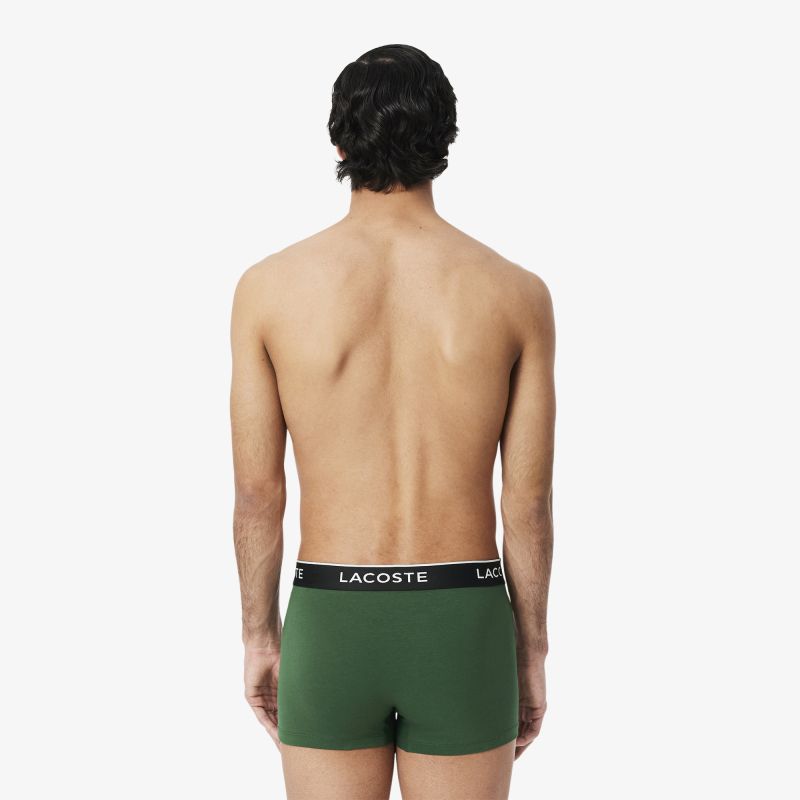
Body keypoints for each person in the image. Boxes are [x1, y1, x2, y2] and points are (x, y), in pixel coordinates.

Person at [230, 43, 555, 800]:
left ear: (338, 143)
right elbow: (528, 504)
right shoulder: (516, 294)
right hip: (463, 619)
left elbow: (257, 494)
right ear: (445, 142)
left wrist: (259, 636)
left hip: (331, 615)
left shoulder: (268, 289)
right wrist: (531, 648)